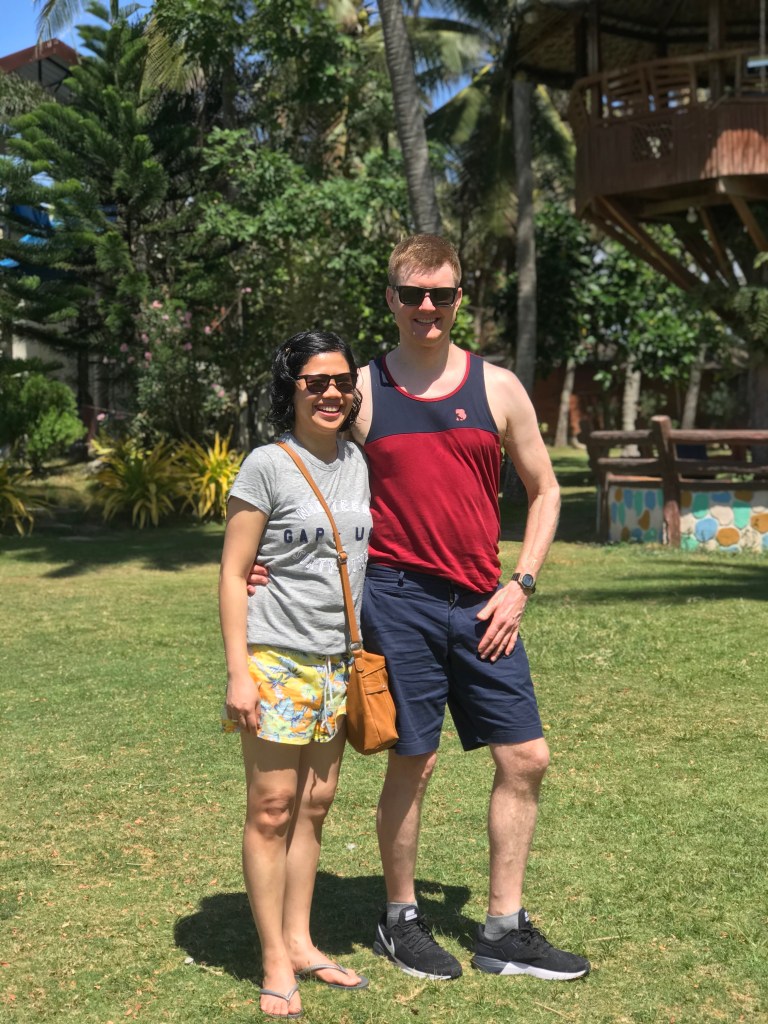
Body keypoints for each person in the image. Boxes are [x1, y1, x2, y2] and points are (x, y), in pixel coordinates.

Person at [251, 235, 590, 983]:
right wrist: (261, 561)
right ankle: (400, 918)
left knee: (526, 757)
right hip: (396, 599)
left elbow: (546, 490)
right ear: (391, 300)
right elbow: (299, 472)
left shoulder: (498, 388)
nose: (426, 306)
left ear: (460, 298)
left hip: (486, 602)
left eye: (440, 293)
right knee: (416, 758)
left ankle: (503, 929)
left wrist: (521, 583)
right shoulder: (362, 391)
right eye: (412, 294)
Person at [219, 330, 372, 1020]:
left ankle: (303, 942)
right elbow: (233, 573)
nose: (331, 392)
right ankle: (275, 961)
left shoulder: (359, 462)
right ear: (292, 389)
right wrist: (239, 673)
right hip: (276, 659)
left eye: (342, 381)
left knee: (315, 804)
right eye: (315, 382)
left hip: (338, 660)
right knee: (273, 807)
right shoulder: (266, 465)